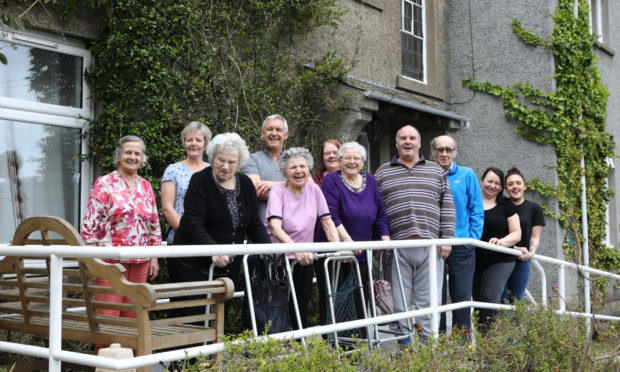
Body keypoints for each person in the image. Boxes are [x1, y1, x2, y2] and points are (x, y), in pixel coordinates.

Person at [172, 132, 271, 320]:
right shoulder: (200, 180)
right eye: (221, 160)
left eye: (232, 162)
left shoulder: (246, 184)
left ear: (239, 162)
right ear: (213, 158)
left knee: (220, 317)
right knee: (194, 317)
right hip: (194, 263)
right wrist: (213, 249)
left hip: (227, 264)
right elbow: (193, 221)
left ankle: (214, 350)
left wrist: (269, 251)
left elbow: (254, 224)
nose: (225, 166)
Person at [375, 125, 455, 342]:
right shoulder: (382, 172)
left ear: (419, 143)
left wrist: (446, 240)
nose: (407, 142)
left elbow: (447, 207)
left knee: (428, 301)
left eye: (412, 138)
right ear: (396, 143)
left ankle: (429, 349)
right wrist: (379, 243)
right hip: (396, 247)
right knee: (399, 303)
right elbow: (376, 209)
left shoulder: (436, 171)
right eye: (403, 138)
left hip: (430, 246)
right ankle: (404, 348)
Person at [81, 135, 161, 319]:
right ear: (118, 156)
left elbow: (154, 224)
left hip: (141, 260)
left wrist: (154, 257)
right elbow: (90, 224)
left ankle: (132, 350)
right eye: (128, 152)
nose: (132, 157)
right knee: (108, 313)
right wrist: (94, 261)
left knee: (134, 314)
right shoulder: (105, 183)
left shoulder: (146, 186)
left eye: (137, 153)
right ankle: (105, 349)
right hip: (110, 261)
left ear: (142, 159)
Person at [265, 147, 340, 328]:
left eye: (302, 166)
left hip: (305, 259)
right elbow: (275, 228)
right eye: (293, 167)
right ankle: (279, 350)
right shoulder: (278, 191)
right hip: (280, 259)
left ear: (308, 169)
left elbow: (328, 222)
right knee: (281, 310)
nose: (298, 171)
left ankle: (301, 350)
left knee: (301, 306)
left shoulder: (314, 189)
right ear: (285, 172)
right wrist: (296, 249)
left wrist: (338, 247)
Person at [316, 141, 390, 325]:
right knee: (338, 300)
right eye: (347, 157)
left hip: (362, 252)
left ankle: (360, 344)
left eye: (356, 158)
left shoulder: (371, 180)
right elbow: (330, 214)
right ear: (339, 161)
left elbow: (380, 213)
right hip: (336, 252)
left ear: (363, 162)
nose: (351, 161)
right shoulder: (332, 180)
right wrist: (347, 241)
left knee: (360, 299)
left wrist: (385, 238)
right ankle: (336, 346)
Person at [431, 135, 484, 333]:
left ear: (455, 152)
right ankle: (439, 340)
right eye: (440, 149)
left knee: (461, 295)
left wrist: (472, 239)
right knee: (436, 295)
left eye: (448, 149)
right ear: (433, 152)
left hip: (462, 244)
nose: (444, 153)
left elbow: (476, 209)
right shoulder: (428, 173)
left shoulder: (467, 174)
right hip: (434, 244)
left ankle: (461, 344)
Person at [473, 167, 521, 331]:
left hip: (500, 259)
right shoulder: (472, 201)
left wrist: (501, 241)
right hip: (474, 259)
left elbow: (516, 234)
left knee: (489, 297)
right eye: (489, 181)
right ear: (481, 182)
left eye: (497, 183)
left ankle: (488, 345)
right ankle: (479, 341)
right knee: (476, 300)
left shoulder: (505, 205)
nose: (492, 186)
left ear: (501, 188)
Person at [161, 121, 212, 246]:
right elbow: (167, 209)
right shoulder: (173, 170)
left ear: (205, 144)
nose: (193, 144)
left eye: (198, 140)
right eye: (189, 140)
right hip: (180, 239)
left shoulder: (214, 171)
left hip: (210, 241)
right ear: (184, 142)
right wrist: (190, 234)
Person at [501, 167, 545, 303]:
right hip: (500, 258)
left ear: (524, 186)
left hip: (521, 261)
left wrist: (530, 254)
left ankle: (512, 326)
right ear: (506, 189)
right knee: (501, 300)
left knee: (516, 301)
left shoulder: (534, 208)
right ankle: (501, 325)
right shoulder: (500, 205)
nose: (515, 187)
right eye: (510, 184)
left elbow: (535, 237)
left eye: (518, 183)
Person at [241, 114, 288, 221]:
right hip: (262, 229)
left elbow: (309, 189)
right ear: (263, 134)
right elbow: (258, 190)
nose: (274, 133)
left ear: (286, 135)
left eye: (278, 130)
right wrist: (295, 193)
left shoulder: (296, 160)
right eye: (270, 129)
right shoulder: (251, 159)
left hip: (294, 230)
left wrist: (269, 184)